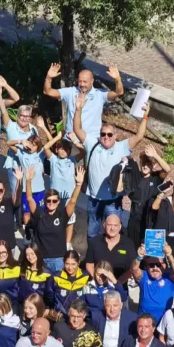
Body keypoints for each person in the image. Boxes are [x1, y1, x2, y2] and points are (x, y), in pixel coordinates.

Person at [73, 94, 150, 241]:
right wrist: (78, 110)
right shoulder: (92, 144)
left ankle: (110, 261)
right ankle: (92, 260)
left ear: (115, 135)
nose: (106, 137)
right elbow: (77, 129)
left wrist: (145, 117)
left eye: (109, 134)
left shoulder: (122, 147)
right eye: (103, 134)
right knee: (92, 233)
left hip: (113, 201)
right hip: (94, 199)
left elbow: (139, 136)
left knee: (113, 234)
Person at [25, 166, 84, 273]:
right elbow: (29, 199)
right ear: (45, 201)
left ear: (58, 202)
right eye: (48, 201)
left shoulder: (62, 214)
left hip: (59, 259)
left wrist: (78, 185)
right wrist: (28, 181)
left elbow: (73, 200)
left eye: (54, 201)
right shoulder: (39, 214)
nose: (51, 203)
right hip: (41, 259)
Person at [43, 63, 123, 139]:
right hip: (71, 138)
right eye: (80, 81)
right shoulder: (71, 92)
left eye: (85, 81)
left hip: (92, 139)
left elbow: (119, 92)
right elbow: (48, 91)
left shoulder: (100, 94)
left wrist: (117, 79)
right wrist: (48, 77)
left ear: (92, 81)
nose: (82, 84)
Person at [122, 145, 171, 248]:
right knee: (131, 247)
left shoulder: (156, 178)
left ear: (152, 166)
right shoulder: (136, 176)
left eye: (148, 164)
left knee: (147, 249)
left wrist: (155, 156)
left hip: (149, 221)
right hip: (134, 219)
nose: (145, 166)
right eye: (143, 163)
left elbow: (167, 169)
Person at [130, 242, 174, 323]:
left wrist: (169, 255)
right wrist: (139, 257)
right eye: (151, 265)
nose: (155, 268)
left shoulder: (169, 278)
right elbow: (134, 269)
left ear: (164, 265)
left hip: (163, 323)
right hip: (144, 323)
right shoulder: (144, 276)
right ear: (147, 266)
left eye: (158, 264)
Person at [84, 214, 137, 281]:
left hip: (120, 284)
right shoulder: (94, 242)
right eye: (109, 225)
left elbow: (132, 269)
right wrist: (97, 279)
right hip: (99, 283)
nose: (112, 228)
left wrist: (118, 284)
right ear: (104, 225)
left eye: (115, 225)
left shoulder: (128, 243)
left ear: (120, 227)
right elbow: (89, 265)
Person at [44, 251, 91, 322]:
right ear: (63, 262)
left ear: (78, 263)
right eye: (67, 264)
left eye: (73, 264)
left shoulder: (86, 277)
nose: (70, 267)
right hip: (60, 317)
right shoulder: (56, 277)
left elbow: (89, 299)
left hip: (78, 317)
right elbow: (49, 296)